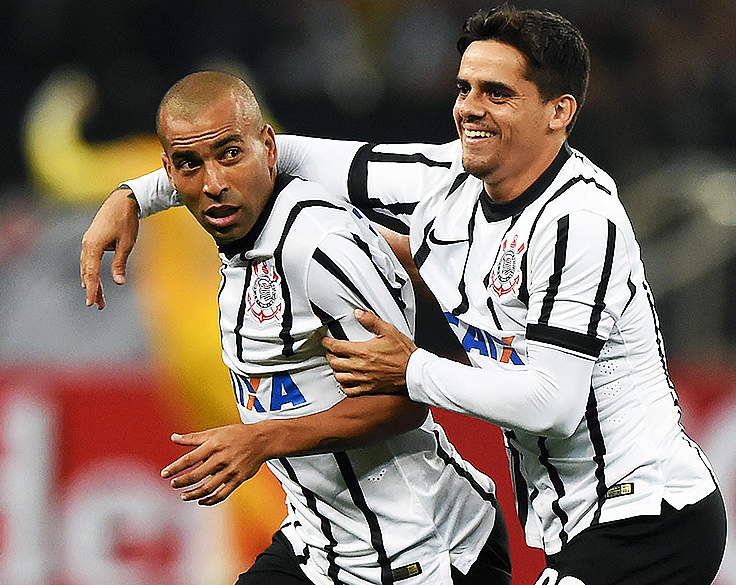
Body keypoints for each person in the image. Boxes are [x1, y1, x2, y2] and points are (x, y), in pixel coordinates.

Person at [79, 6, 725, 585]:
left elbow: (551, 404)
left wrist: (410, 368)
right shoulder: (443, 180)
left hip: (649, 513)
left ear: (559, 112)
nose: (471, 108)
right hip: (565, 522)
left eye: (498, 93)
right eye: (465, 88)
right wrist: (136, 194)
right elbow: (279, 152)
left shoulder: (579, 221)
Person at [118, 70, 512, 585]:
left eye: (230, 154)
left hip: (425, 550)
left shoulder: (317, 243)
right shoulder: (240, 239)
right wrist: (126, 197)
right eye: (191, 165)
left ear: (267, 147)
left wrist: (261, 440)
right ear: (169, 171)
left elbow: (403, 402)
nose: (213, 183)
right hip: (321, 549)